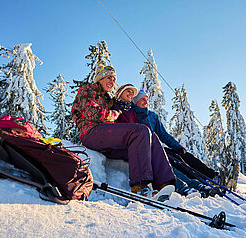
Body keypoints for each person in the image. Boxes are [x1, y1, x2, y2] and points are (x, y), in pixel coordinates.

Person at [71, 64, 176, 198]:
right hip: (91, 132)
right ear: (100, 78)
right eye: (109, 78)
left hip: (106, 139)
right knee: (140, 131)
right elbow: (92, 113)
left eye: (113, 79)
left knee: (152, 137)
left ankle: (164, 184)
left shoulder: (107, 98)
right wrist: (114, 114)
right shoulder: (88, 90)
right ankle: (140, 187)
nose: (112, 82)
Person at [112, 85, 220, 198]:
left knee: (182, 157)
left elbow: (163, 135)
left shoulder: (152, 116)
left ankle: (207, 179)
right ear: (136, 100)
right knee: (170, 164)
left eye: (147, 99)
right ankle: (190, 186)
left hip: (156, 146)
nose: (146, 101)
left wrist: (177, 146)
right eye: (142, 99)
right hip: (146, 148)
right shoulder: (132, 114)